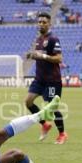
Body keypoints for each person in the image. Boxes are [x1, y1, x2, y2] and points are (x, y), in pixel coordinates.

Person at [26, 12, 68, 144]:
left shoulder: (53, 39)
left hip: (52, 80)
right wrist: (32, 55)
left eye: (44, 22)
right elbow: (38, 54)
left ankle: (62, 134)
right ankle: (44, 124)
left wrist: (42, 56)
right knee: (28, 102)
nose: (41, 24)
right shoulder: (38, 39)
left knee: (52, 109)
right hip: (39, 79)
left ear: (49, 24)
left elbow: (59, 58)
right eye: (39, 22)